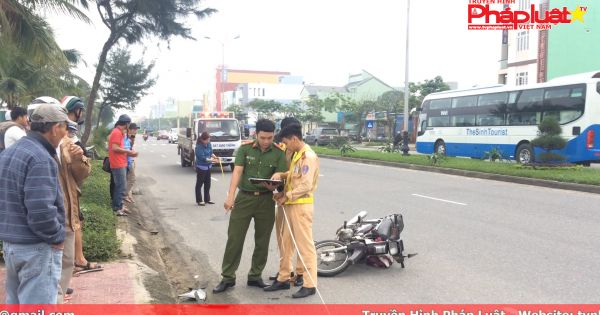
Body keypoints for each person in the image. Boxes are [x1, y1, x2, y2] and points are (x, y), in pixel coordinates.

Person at [0, 103, 72, 304]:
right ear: (56, 128)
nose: (66, 133)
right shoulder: (40, 158)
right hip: (36, 248)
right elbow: (41, 210)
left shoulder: (10, 153)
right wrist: (57, 236)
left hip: (12, 245)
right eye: (65, 127)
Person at [213, 119, 288, 294]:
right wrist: (230, 196)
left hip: (266, 200)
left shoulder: (278, 153)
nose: (267, 141)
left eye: (270, 138)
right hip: (244, 199)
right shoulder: (245, 149)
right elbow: (237, 171)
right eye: (263, 137)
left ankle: (255, 275)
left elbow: (282, 177)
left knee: (262, 241)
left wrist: (276, 182)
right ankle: (227, 277)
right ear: (256, 134)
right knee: (235, 239)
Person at [265, 123, 320, 298]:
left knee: (305, 246)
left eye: (286, 142)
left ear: (294, 138)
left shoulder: (308, 156)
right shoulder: (298, 155)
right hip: (291, 205)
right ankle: (283, 278)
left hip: (301, 206)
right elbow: (295, 174)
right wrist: (282, 175)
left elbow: (305, 184)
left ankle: (310, 284)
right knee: (286, 243)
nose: (286, 146)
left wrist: (286, 195)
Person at [56, 121, 91, 303]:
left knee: (67, 262)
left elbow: (82, 175)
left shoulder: (67, 144)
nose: (67, 133)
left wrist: (78, 158)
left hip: (69, 215)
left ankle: (58, 299)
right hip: (50, 220)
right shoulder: (36, 149)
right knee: (51, 266)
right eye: (64, 128)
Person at [270, 117, 304, 287]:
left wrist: (286, 193)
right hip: (284, 198)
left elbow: (298, 179)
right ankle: (286, 270)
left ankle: (299, 273)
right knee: (283, 238)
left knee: (296, 239)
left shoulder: (300, 152)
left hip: (294, 200)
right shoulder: (286, 149)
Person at [109, 114, 137, 216]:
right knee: (120, 186)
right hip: (118, 163)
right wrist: (129, 152)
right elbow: (115, 148)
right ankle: (117, 208)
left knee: (121, 186)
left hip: (121, 162)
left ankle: (120, 205)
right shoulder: (117, 132)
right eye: (129, 124)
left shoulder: (119, 132)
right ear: (126, 124)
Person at [195, 131, 218, 206]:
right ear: (202, 140)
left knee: (208, 184)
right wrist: (213, 160)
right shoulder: (198, 147)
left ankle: (207, 199)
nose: (208, 141)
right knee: (199, 184)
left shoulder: (209, 144)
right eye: (207, 140)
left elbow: (211, 152)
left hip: (208, 167)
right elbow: (203, 158)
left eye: (209, 140)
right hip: (201, 167)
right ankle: (199, 200)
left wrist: (215, 156)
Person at [124, 123, 139, 204]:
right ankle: (124, 195)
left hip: (130, 160)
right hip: (127, 161)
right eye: (135, 129)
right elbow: (126, 149)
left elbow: (130, 146)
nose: (136, 131)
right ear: (131, 129)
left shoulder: (131, 137)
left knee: (129, 179)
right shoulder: (126, 136)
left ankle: (128, 195)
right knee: (132, 179)